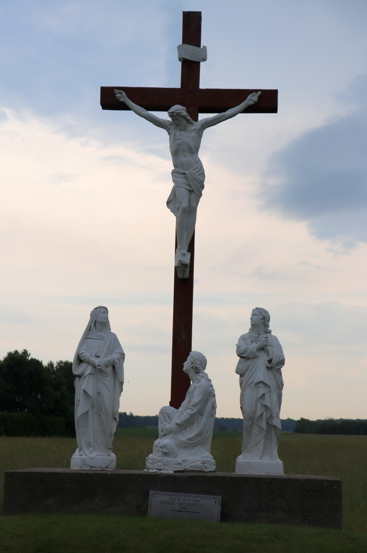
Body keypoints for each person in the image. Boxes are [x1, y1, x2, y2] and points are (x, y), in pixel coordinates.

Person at [114, 89, 261, 269]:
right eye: (173, 119)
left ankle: (184, 247)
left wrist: (246, 103)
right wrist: (126, 101)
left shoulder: (198, 127)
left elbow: (225, 115)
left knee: (192, 208)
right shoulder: (169, 128)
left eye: (177, 119)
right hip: (179, 174)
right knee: (183, 206)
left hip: (196, 171)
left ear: (184, 116)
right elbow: (146, 114)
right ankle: (181, 247)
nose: (175, 122)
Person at [146, 351, 217, 472]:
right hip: (186, 422)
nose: (185, 362)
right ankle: (166, 440)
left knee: (164, 443)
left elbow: (192, 412)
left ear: (194, 364)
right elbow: (183, 408)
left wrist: (173, 428)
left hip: (195, 428)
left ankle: (168, 446)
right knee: (165, 411)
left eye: (187, 360)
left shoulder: (203, 385)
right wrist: (171, 425)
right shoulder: (195, 385)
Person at [71, 306, 125, 465]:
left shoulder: (112, 338)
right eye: (102, 313)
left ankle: (104, 448)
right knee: (90, 411)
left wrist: (105, 362)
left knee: (106, 409)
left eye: (107, 313)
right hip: (90, 378)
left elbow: (119, 355)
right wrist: (95, 362)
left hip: (106, 379)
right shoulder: (88, 338)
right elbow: (82, 353)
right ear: (94, 317)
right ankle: (88, 447)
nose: (106, 316)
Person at [235, 308, 285, 462]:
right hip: (250, 380)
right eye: (252, 315)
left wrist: (268, 350)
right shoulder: (245, 337)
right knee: (249, 413)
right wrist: (257, 347)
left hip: (268, 382)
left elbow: (280, 359)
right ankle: (249, 452)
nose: (251, 317)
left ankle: (266, 454)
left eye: (255, 315)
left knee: (266, 415)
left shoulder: (273, 340)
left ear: (264, 319)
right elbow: (240, 351)